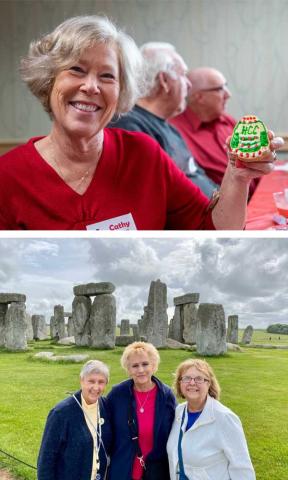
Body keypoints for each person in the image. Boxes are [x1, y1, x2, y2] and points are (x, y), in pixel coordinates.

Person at [0, 16, 282, 230]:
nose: (91, 86)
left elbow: (212, 230)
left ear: (122, 91)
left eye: (107, 76)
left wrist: (238, 176)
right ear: (49, 81)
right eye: (77, 70)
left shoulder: (144, 156)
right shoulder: (7, 177)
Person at [109, 42, 217, 198]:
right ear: (164, 81)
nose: (189, 84)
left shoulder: (169, 128)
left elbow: (196, 174)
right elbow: (157, 195)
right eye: (183, 75)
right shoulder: (128, 126)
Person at [167, 359, 256, 480]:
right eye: (186, 378)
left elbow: (242, 468)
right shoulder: (179, 411)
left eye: (199, 378)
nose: (192, 383)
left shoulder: (225, 418)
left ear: (209, 383)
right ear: (180, 383)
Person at [106, 341, 176, 479]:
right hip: (122, 469)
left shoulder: (166, 396)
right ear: (128, 369)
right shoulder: (117, 394)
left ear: (153, 365)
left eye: (145, 364)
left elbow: (174, 432)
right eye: (135, 366)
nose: (140, 370)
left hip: (156, 472)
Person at [37, 360, 112, 480]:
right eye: (91, 381)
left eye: (101, 382)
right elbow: (46, 459)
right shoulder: (61, 413)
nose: (96, 387)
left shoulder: (107, 407)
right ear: (81, 381)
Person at [169, 67, 238, 186]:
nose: (228, 95)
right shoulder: (174, 131)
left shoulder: (228, 121)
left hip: (257, 195)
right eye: (220, 89)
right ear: (200, 97)